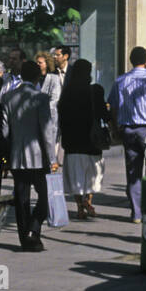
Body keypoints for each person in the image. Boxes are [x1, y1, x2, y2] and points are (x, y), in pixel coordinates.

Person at [108, 46, 146, 224]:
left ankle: (136, 213)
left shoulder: (121, 80)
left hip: (129, 131)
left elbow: (113, 106)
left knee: (132, 170)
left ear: (130, 59)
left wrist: (115, 126)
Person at [2, 60, 57, 250]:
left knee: (21, 198)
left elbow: (4, 131)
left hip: (17, 156)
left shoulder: (8, 97)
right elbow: (47, 131)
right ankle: (34, 229)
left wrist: (6, 157)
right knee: (45, 195)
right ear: (37, 77)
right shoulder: (40, 98)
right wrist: (53, 158)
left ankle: (24, 237)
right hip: (38, 155)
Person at [58, 59, 107, 220]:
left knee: (76, 175)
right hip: (92, 142)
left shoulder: (67, 93)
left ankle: (80, 206)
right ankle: (88, 200)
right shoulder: (95, 91)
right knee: (92, 174)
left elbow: (61, 117)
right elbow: (103, 114)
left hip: (72, 142)